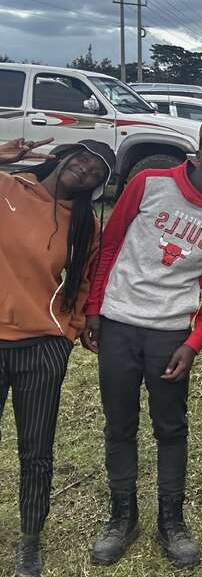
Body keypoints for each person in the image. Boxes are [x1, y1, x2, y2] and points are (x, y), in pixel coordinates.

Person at [83, 116, 202, 569]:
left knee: (170, 428)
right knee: (119, 424)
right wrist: (95, 309)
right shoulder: (148, 182)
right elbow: (111, 245)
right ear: (198, 151)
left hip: (170, 333)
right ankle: (123, 516)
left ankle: (171, 520)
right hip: (118, 323)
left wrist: (194, 342)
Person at [0, 137, 114, 577]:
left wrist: (66, 334)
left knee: (36, 451)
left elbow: (84, 282)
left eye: (97, 173)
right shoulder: (8, 187)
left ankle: (30, 539)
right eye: (84, 159)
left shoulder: (85, 224)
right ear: (64, 155)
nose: (86, 171)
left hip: (41, 349)